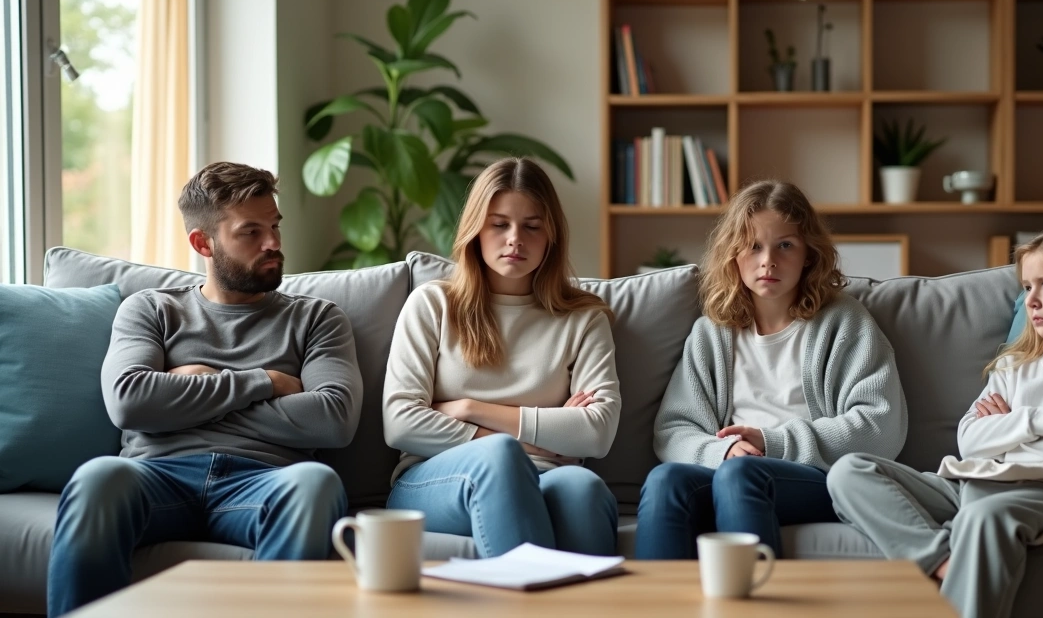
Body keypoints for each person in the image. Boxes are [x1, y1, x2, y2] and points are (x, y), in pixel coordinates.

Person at [47, 162, 363, 616]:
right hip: (158, 477)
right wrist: (265, 383)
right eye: (250, 232)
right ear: (203, 243)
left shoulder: (316, 318)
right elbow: (130, 402)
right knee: (98, 477)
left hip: (264, 481)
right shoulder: (151, 309)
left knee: (315, 482)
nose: (273, 243)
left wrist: (187, 392)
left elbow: (334, 420)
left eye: (274, 226)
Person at [828, 222, 1043, 618]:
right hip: (977, 477)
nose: (1032, 301)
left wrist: (1008, 432)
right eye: (1027, 287)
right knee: (849, 470)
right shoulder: (1015, 365)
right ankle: (942, 562)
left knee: (985, 516)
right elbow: (970, 441)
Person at [635, 180, 908, 559]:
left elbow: (881, 426)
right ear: (733, 255)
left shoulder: (845, 322)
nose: (768, 261)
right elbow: (674, 430)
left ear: (809, 254)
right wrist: (725, 451)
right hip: (731, 468)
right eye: (753, 246)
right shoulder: (712, 333)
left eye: (785, 245)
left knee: (742, 475)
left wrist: (770, 442)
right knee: (666, 480)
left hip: (818, 479)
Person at [382, 157, 621, 557]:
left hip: (548, 475)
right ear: (476, 229)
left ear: (551, 236)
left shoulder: (583, 318)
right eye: (499, 224)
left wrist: (467, 406)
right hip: (433, 478)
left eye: (532, 226)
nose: (515, 239)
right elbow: (400, 422)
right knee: (500, 457)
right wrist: (526, 438)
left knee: (584, 488)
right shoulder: (433, 304)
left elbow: (597, 431)